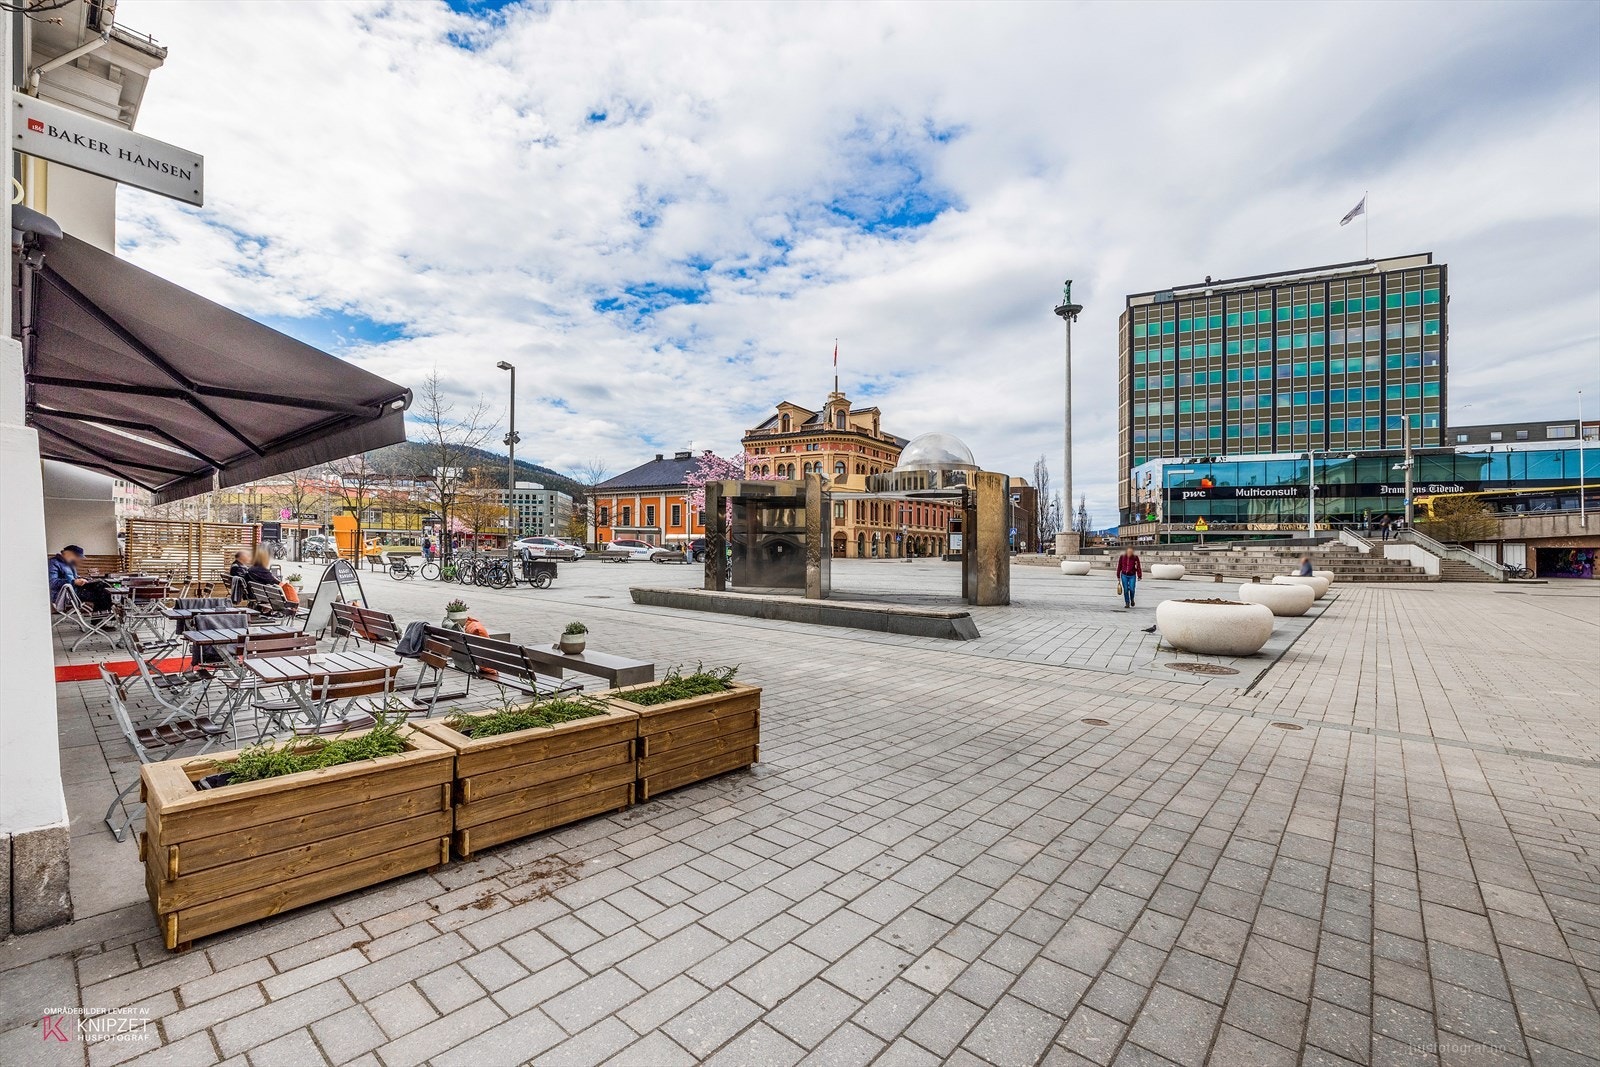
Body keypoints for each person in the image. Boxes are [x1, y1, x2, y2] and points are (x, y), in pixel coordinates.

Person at [48, 545, 113, 612]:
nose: (78, 559)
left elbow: (74, 577)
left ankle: (101, 616)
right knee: (103, 594)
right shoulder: (53, 563)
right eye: (77, 556)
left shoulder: (69, 564)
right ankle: (100, 617)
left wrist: (84, 579)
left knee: (102, 585)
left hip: (75, 590)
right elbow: (52, 582)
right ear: (69, 554)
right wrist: (74, 582)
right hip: (65, 594)